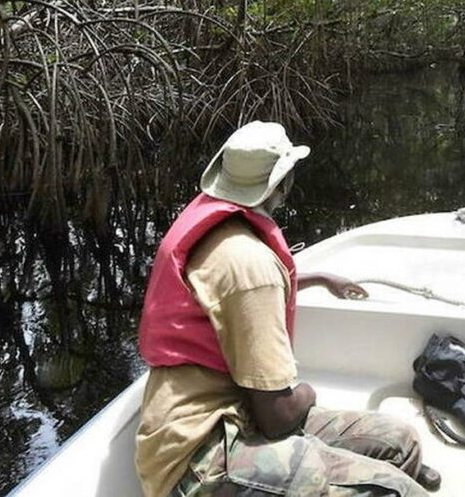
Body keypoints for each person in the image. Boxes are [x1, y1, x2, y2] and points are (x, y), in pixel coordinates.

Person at [135, 121, 440, 496]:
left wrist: (318, 278)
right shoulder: (249, 262)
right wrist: (308, 392)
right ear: (281, 184)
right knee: (397, 489)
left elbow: (242, 289)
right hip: (200, 455)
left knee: (400, 442)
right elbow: (278, 418)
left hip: (236, 411)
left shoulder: (224, 230)